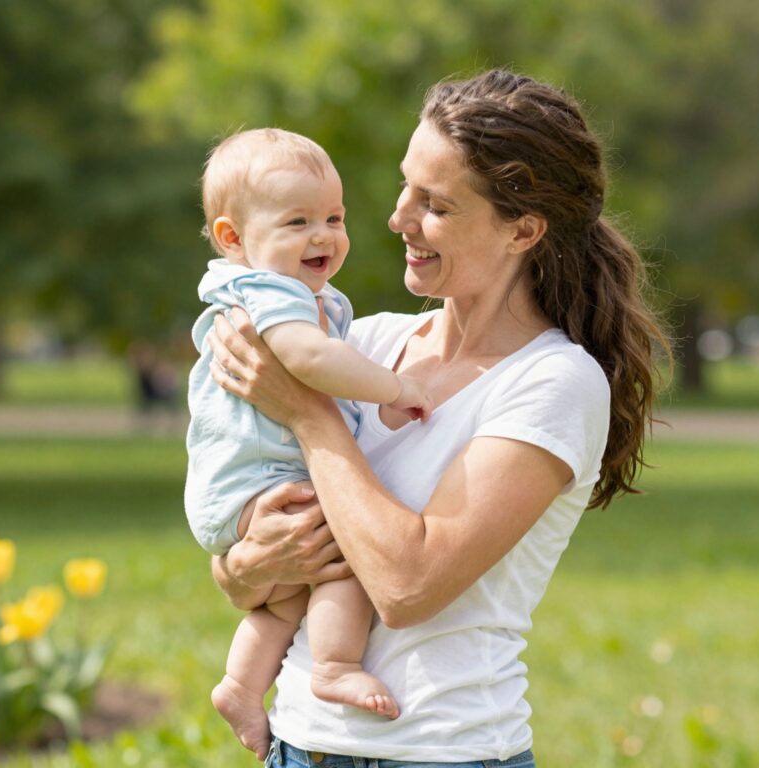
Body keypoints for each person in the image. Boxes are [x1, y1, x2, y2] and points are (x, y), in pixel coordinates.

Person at [208, 69, 670, 766]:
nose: (396, 218)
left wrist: (309, 414)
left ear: (523, 230)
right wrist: (248, 560)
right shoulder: (363, 344)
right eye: (404, 187)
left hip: (441, 751)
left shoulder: (553, 383)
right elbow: (237, 570)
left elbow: (406, 586)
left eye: (435, 205)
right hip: (301, 745)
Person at [185, 129, 433, 759]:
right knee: (347, 554)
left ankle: (241, 686)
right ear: (232, 238)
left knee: (290, 593)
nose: (323, 235)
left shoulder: (308, 296)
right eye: (297, 221)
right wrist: (393, 387)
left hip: (244, 486)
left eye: (333, 217)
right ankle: (333, 666)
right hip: (262, 478)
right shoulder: (269, 292)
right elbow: (309, 359)